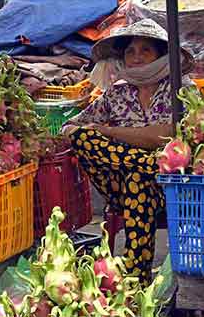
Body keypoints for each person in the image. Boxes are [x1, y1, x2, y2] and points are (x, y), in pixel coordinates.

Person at [62, 19, 194, 286]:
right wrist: (78, 131)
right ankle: (149, 164)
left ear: (161, 55)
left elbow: (168, 133)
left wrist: (110, 132)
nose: (136, 57)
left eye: (145, 50)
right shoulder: (116, 94)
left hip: (171, 185)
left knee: (138, 182)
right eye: (131, 51)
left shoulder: (181, 89)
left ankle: (136, 282)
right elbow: (73, 126)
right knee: (80, 136)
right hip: (117, 184)